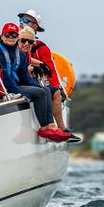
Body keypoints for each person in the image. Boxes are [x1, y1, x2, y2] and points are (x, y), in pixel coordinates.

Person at [0, 25, 68, 142]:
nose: (11, 37)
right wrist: (17, 91)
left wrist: (39, 86)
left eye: (14, 35)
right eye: (7, 35)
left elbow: (24, 76)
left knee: (45, 90)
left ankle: (51, 126)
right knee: (39, 93)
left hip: (16, 84)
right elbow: (4, 76)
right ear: (2, 36)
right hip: (5, 87)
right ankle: (44, 128)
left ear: (17, 37)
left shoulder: (18, 53)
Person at [17, 9, 80, 142]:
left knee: (53, 91)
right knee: (43, 91)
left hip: (30, 81)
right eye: (21, 19)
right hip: (19, 83)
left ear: (35, 26)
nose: (22, 22)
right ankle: (47, 128)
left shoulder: (40, 47)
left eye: (26, 20)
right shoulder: (12, 39)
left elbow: (49, 68)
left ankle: (60, 129)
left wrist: (54, 83)